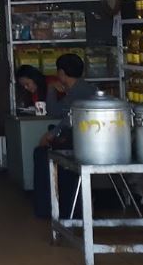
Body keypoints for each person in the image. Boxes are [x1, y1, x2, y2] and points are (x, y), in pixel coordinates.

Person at [31, 53, 97, 217]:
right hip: (84, 140)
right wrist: (52, 89)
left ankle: (48, 209)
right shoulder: (80, 89)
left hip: (84, 144)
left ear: (61, 73)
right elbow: (59, 113)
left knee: (42, 154)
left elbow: (69, 117)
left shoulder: (80, 91)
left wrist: (52, 134)